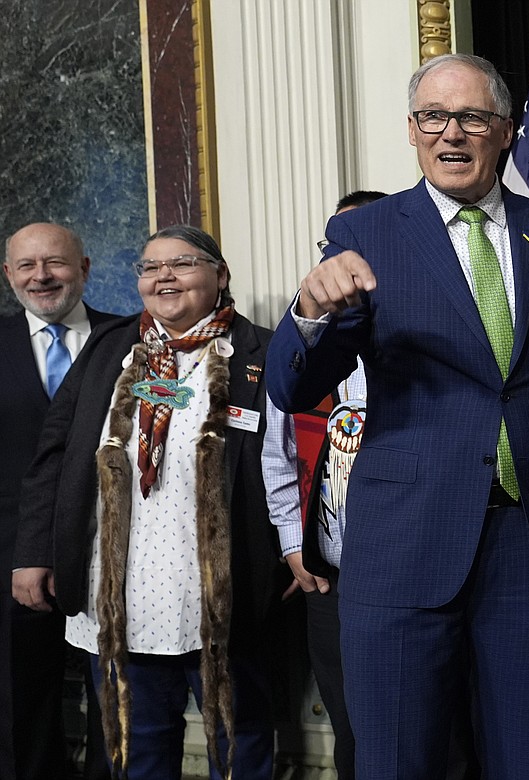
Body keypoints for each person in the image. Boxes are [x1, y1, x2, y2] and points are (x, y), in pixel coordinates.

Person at [265, 53, 529, 779]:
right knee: (397, 755)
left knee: (523, 753)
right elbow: (294, 390)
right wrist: (308, 314)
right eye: (433, 118)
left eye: (473, 117)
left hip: (528, 540)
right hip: (404, 543)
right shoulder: (369, 232)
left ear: (505, 131)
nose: (452, 134)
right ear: (413, 131)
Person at [12, 225, 289, 779]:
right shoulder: (109, 348)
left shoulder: (266, 352)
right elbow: (56, 454)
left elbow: (292, 463)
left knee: (240, 751)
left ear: (221, 275)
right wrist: (33, 552)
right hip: (121, 600)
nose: (164, 276)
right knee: (135, 757)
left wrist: (291, 551)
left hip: (224, 598)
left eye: (182, 263)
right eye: (150, 267)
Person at [271, 188, 386, 780]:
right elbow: (278, 453)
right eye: (334, 246)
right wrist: (294, 544)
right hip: (330, 575)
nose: (346, 260)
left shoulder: (419, 331)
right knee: (352, 728)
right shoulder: (302, 341)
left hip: (412, 567)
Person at [1, 223, 116, 780]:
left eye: (55, 263)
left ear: (85, 268)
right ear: (8, 275)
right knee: (20, 700)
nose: (41, 276)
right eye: (26, 266)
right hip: (8, 555)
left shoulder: (130, 339)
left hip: (113, 552)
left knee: (116, 698)